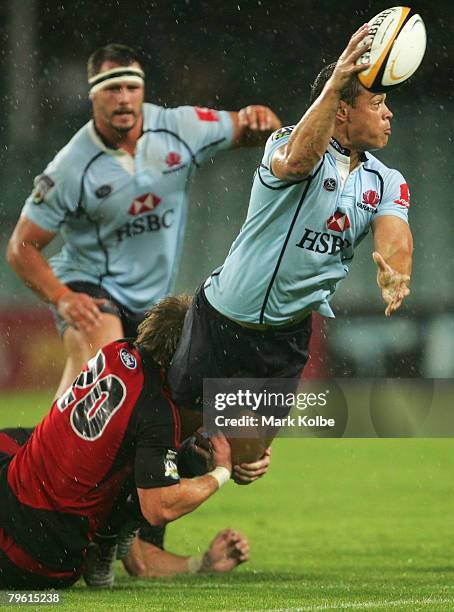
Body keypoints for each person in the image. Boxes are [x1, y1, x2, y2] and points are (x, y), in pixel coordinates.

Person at [6, 43, 282, 399]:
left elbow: (257, 130)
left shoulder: (179, 128)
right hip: (90, 285)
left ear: (143, 89)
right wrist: (62, 298)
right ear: (93, 95)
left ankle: (47, 449)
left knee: (179, 394)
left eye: (131, 87)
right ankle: (59, 449)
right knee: (106, 371)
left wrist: (264, 120)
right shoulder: (71, 167)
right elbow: (21, 247)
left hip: (152, 302)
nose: (123, 98)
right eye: (112, 88)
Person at [167, 24, 413, 409]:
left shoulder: (387, 181)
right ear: (343, 110)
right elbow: (298, 163)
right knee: (183, 438)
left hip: (288, 338)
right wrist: (335, 83)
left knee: (249, 460)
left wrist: (396, 271)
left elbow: (395, 236)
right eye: (378, 103)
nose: (389, 113)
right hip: (222, 323)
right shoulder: (285, 141)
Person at [0, 296, 270, 589]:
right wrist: (222, 472)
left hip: (16, 494)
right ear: (189, 355)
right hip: (40, 555)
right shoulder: (157, 410)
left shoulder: (118, 350)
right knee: (163, 477)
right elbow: (160, 507)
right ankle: (110, 533)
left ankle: (110, 532)